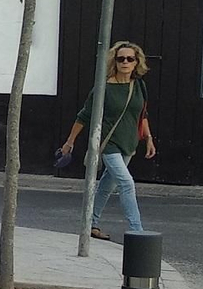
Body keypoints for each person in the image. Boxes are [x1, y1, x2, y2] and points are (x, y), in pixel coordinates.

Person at [61, 40, 156, 241]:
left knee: (107, 185)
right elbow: (84, 116)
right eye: (121, 58)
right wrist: (70, 142)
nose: (125, 62)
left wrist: (148, 138)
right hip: (108, 143)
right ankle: (137, 231)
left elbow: (142, 115)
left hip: (129, 142)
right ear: (115, 61)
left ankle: (91, 223)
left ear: (136, 62)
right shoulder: (103, 88)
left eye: (130, 59)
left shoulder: (139, 86)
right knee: (126, 182)